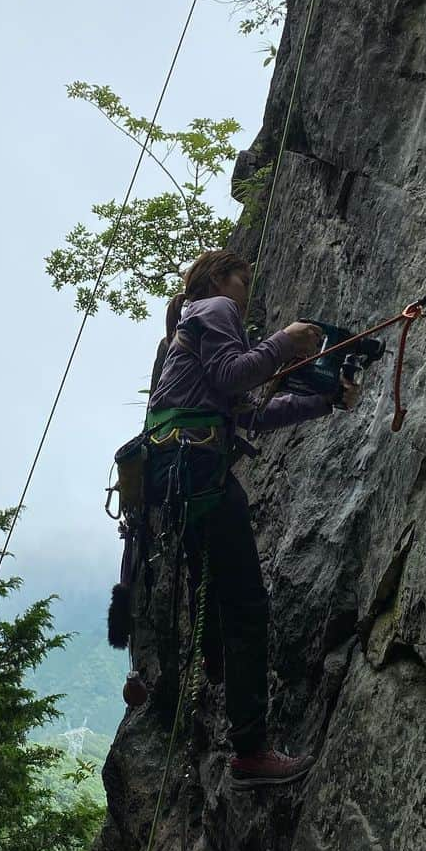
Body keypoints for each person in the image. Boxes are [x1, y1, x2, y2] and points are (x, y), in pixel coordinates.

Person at [145, 248, 359, 790]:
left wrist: (326, 399)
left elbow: (251, 414)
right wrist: (287, 341)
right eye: (244, 275)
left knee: (223, 600)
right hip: (199, 471)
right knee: (245, 607)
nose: (248, 287)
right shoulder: (214, 308)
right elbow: (233, 375)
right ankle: (250, 750)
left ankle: (222, 681)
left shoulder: (194, 326)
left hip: (184, 474)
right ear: (220, 276)